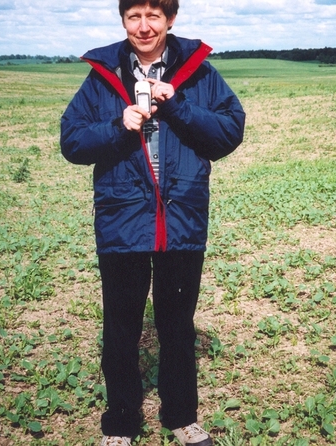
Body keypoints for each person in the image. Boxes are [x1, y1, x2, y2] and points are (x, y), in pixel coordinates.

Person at [60, 0, 245, 444]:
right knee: (121, 327)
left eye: (153, 16)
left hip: (182, 221)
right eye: (133, 17)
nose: (143, 27)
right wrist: (116, 125)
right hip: (123, 223)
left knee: (177, 327)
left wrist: (177, 105)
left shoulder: (199, 74)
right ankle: (121, 424)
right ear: (123, 21)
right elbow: (71, 140)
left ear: (171, 19)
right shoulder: (103, 77)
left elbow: (228, 132)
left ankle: (181, 418)